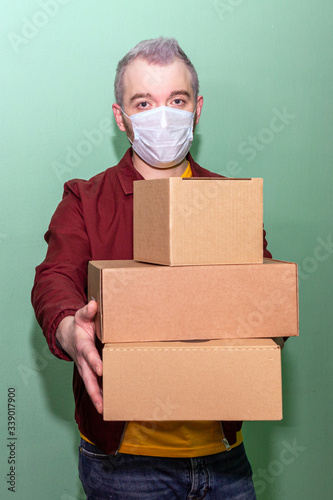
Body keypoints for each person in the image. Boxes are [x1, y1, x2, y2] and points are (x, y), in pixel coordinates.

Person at [32, 37, 272, 499]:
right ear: (121, 117)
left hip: (225, 457)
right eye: (144, 102)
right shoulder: (85, 199)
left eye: (176, 100)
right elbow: (55, 277)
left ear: (197, 109)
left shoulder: (231, 200)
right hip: (125, 463)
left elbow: (264, 290)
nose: (163, 115)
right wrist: (68, 327)